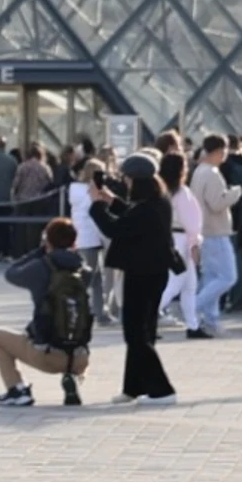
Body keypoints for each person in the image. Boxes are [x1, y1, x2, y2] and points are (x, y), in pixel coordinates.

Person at [87, 152, 176, 405]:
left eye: (127, 179)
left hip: (143, 274)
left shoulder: (147, 209)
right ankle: (134, 387)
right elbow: (131, 216)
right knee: (142, 332)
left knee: (136, 334)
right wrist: (112, 201)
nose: (124, 183)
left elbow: (115, 228)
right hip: (151, 272)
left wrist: (97, 205)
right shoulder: (157, 202)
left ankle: (162, 390)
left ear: (136, 181)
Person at [0, 217, 92, 408]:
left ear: (48, 240)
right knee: (68, 320)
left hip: (47, 356)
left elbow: (11, 273)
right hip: (80, 358)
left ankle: (17, 390)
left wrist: (39, 252)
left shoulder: (41, 267)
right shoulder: (84, 270)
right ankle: (72, 378)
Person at [189, 135, 241, 336]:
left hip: (204, 230)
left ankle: (211, 320)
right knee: (228, 277)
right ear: (220, 151)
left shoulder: (199, 171)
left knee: (211, 277)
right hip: (216, 231)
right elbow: (217, 203)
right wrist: (234, 194)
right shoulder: (212, 173)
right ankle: (194, 306)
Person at [157, 152, 203, 337]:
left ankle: (193, 325)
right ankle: (146, 318)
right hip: (182, 239)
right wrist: (195, 245)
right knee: (176, 284)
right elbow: (192, 222)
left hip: (169, 236)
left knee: (188, 285)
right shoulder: (182, 193)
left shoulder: (162, 191)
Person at [69, 158, 113, 325]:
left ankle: (94, 311)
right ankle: (94, 312)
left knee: (92, 278)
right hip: (91, 237)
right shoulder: (91, 192)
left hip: (81, 237)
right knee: (93, 279)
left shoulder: (75, 190)